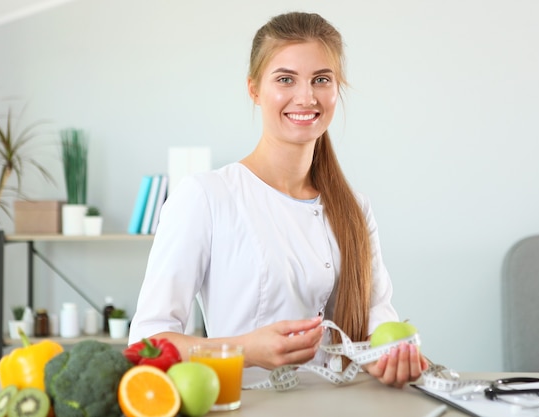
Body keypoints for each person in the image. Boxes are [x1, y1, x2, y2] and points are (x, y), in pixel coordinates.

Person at [129, 11, 427, 388]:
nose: (306, 97)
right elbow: (145, 345)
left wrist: (395, 355)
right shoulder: (205, 197)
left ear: (338, 89)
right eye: (285, 79)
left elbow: (377, 323)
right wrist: (244, 350)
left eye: (322, 80)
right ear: (254, 89)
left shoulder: (355, 209)